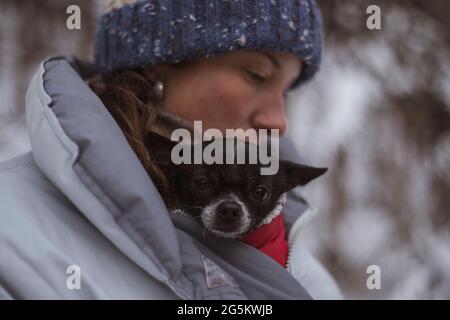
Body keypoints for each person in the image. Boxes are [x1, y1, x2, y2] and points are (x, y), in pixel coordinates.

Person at [0, 0, 342, 299]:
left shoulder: (296, 260)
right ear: (157, 63)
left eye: (286, 91)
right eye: (257, 74)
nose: (279, 122)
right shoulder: (12, 230)